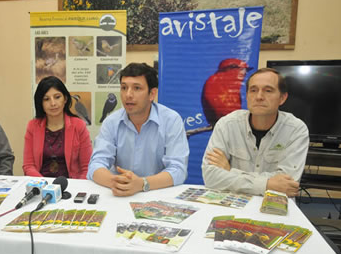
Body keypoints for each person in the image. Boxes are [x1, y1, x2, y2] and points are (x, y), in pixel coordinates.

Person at [202, 68, 309, 196]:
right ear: (247, 96)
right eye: (253, 90)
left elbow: (288, 183)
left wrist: (230, 171)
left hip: (274, 206)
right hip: (232, 205)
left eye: (268, 90)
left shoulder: (296, 130)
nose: (259, 97)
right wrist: (267, 184)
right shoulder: (227, 124)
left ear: (282, 98)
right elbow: (210, 176)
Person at [87, 63, 189, 196]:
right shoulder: (111, 122)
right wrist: (116, 182)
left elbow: (178, 170)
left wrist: (141, 184)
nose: (128, 95)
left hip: (157, 193)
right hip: (119, 194)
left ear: (152, 94)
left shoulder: (171, 120)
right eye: (124, 88)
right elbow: (96, 164)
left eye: (136, 88)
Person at [23, 76, 92, 179]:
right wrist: (45, 186)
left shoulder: (79, 126)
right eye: (46, 99)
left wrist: (77, 188)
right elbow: (29, 166)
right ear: (40, 103)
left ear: (65, 99)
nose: (53, 103)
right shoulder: (33, 127)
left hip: (72, 187)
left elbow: (87, 167)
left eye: (57, 97)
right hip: (42, 186)